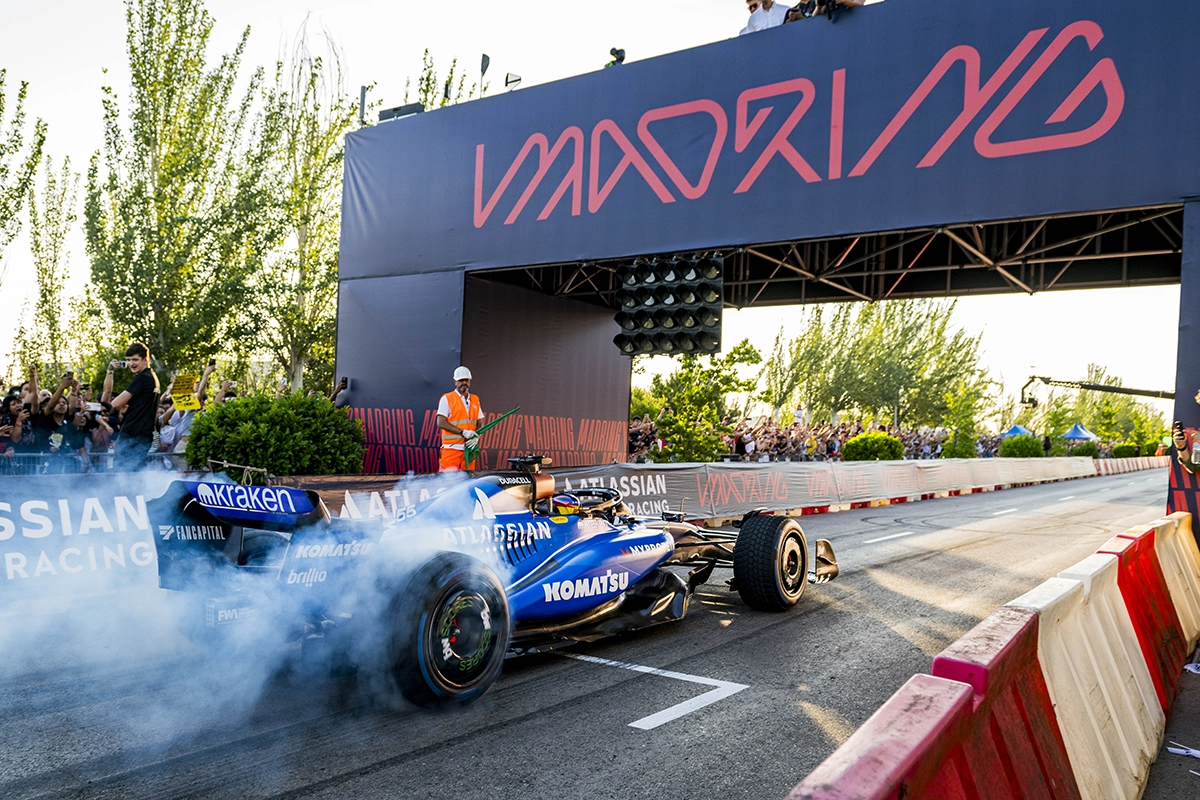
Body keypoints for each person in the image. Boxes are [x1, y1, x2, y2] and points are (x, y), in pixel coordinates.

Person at [102, 342, 161, 471]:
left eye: (135, 360)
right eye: (128, 360)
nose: (131, 364)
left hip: (133, 433)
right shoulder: (153, 377)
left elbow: (116, 403)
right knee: (135, 473)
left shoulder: (142, 378)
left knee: (121, 473)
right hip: (144, 434)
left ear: (145, 360)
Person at [436, 366, 484, 472]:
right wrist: (463, 432)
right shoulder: (447, 398)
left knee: (467, 482)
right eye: (461, 380)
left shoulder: (475, 399)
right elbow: (440, 422)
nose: (464, 382)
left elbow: (479, 422)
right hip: (451, 449)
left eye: (466, 380)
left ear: (470, 381)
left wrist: (477, 436)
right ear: (455, 381)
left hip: (469, 450)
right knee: (448, 483)